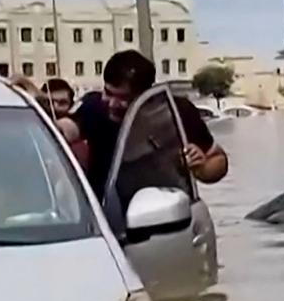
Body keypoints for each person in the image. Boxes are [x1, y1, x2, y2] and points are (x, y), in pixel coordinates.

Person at [69, 50, 228, 198]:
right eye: (108, 93)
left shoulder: (175, 111)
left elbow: (218, 159)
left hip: (167, 213)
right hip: (104, 215)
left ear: (145, 97)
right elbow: (67, 128)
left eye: (123, 98)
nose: (112, 104)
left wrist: (201, 168)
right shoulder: (94, 106)